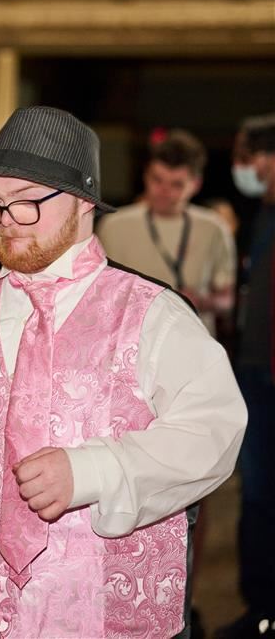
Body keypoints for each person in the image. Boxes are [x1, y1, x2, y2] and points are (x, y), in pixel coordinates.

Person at [0, 105, 247, 637]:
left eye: (25, 204)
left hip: (108, 611)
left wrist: (99, 469)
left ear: (85, 203)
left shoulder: (150, 314)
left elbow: (213, 430)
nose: (3, 223)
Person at [217, 113, 275, 639]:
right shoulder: (262, 216)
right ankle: (260, 609)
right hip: (256, 374)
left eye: (250, 158)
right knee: (257, 498)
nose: (246, 170)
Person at [98, 129, 237, 336]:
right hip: (129, 344)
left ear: (196, 184)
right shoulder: (113, 225)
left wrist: (199, 301)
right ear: (146, 174)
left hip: (192, 343)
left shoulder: (214, 228)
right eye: (157, 180)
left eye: (177, 185)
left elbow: (227, 300)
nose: (164, 191)